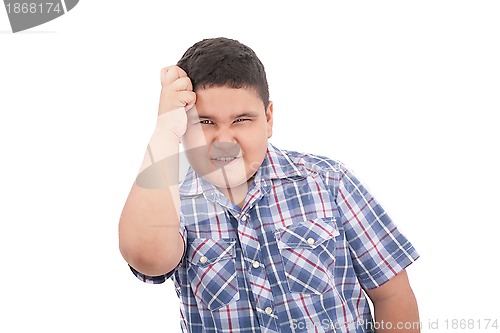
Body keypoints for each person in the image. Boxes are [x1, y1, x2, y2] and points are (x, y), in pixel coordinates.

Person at [119, 37, 420, 333]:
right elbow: (148, 259)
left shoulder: (328, 181)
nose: (224, 142)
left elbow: (391, 293)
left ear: (268, 119)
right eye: (204, 122)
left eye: (241, 120)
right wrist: (164, 133)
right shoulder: (171, 203)